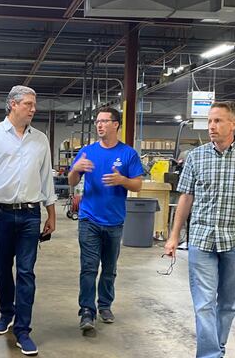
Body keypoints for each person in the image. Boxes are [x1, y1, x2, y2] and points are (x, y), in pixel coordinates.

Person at [164, 101, 235, 358]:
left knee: (228, 304)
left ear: (234, 123)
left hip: (234, 240)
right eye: (210, 121)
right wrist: (174, 236)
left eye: (218, 121)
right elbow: (185, 198)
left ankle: (216, 348)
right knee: (203, 303)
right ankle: (211, 355)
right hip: (201, 238)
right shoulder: (196, 157)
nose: (212, 126)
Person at [0, 85, 57, 356]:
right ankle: (6, 312)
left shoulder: (40, 139)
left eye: (34, 104)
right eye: (29, 104)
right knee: (1, 267)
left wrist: (51, 213)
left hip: (31, 213)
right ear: (13, 105)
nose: (34, 109)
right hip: (1, 213)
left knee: (26, 271)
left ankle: (23, 329)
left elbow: (47, 179)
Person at [68, 107, 143, 332]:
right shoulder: (87, 152)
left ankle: (105, 305)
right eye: (97, 121)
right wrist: (76, 169)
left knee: (109, 268)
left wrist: (122, 180)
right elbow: (71, 181)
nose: (99, 125)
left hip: (114, 222)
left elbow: (138, 185)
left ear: (116, 124)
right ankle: (87, 311)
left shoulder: (128, 154)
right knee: (89, 268)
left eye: (104, 121)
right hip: (89, 220)